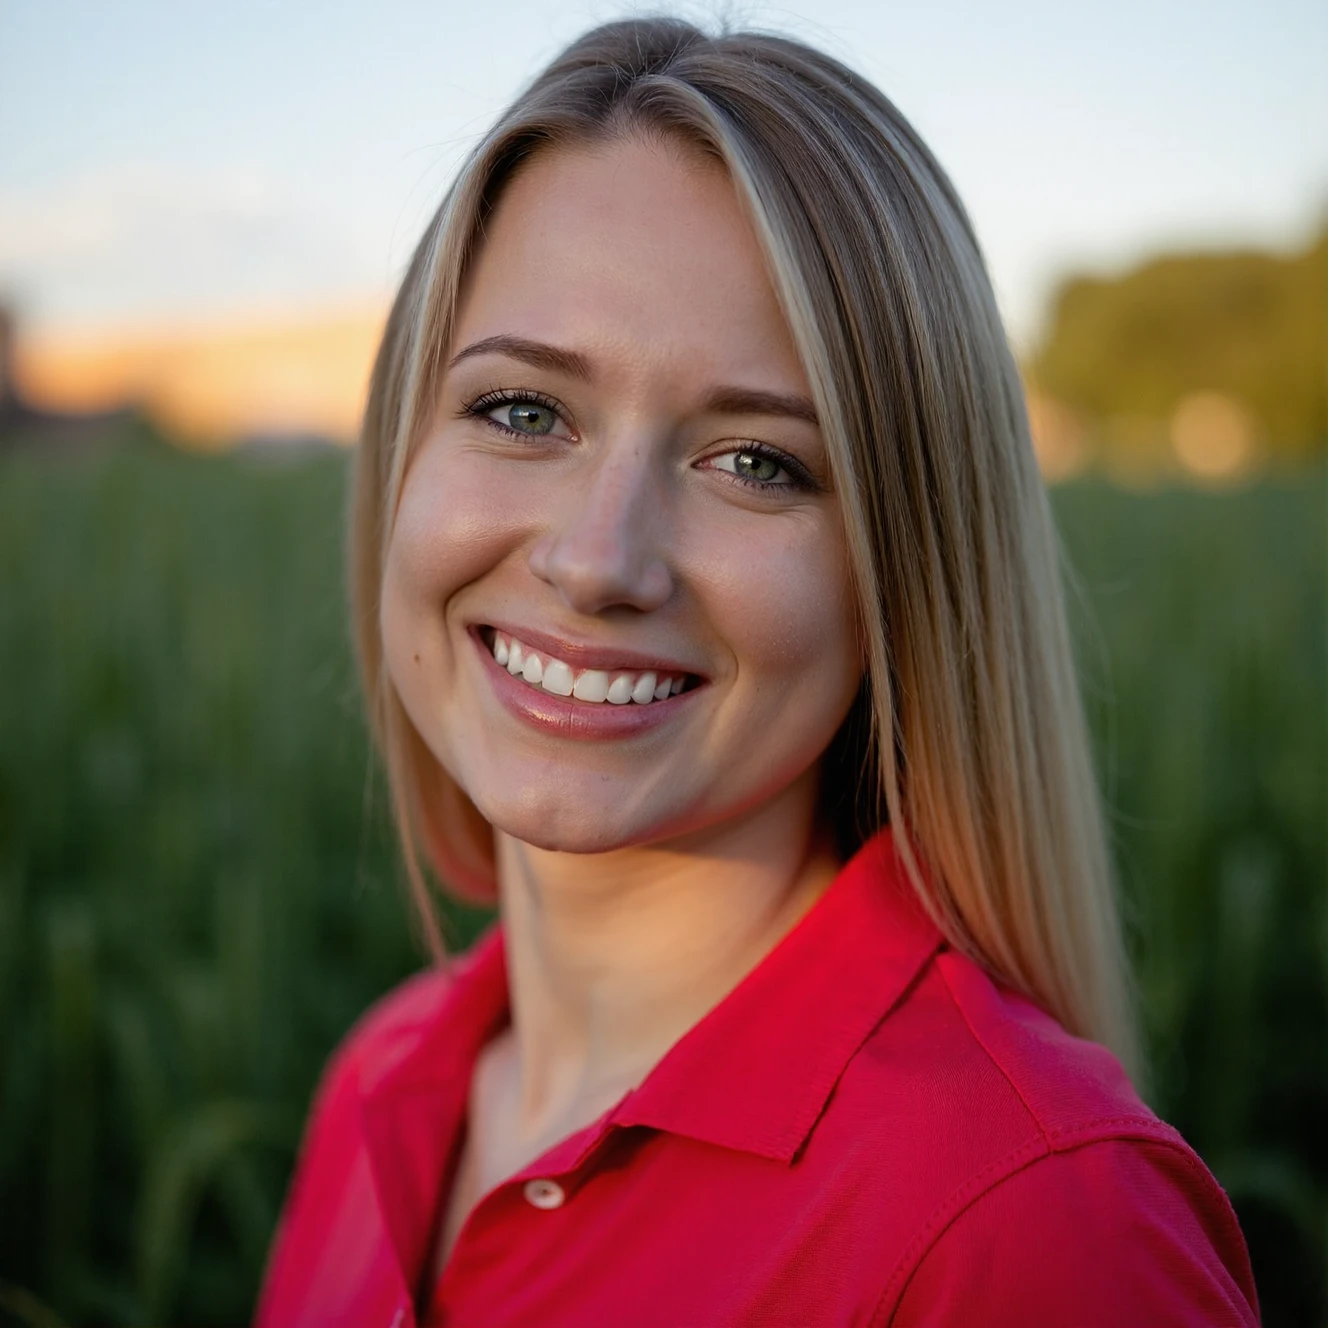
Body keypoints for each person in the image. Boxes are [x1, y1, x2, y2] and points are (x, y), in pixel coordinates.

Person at [253, 17, 1260, 1327]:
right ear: (402, 448)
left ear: (908, 567)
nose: (600, 559)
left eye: (755, 461)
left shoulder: (1033, 1224)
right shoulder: (384, 1079)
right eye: (521, 411)